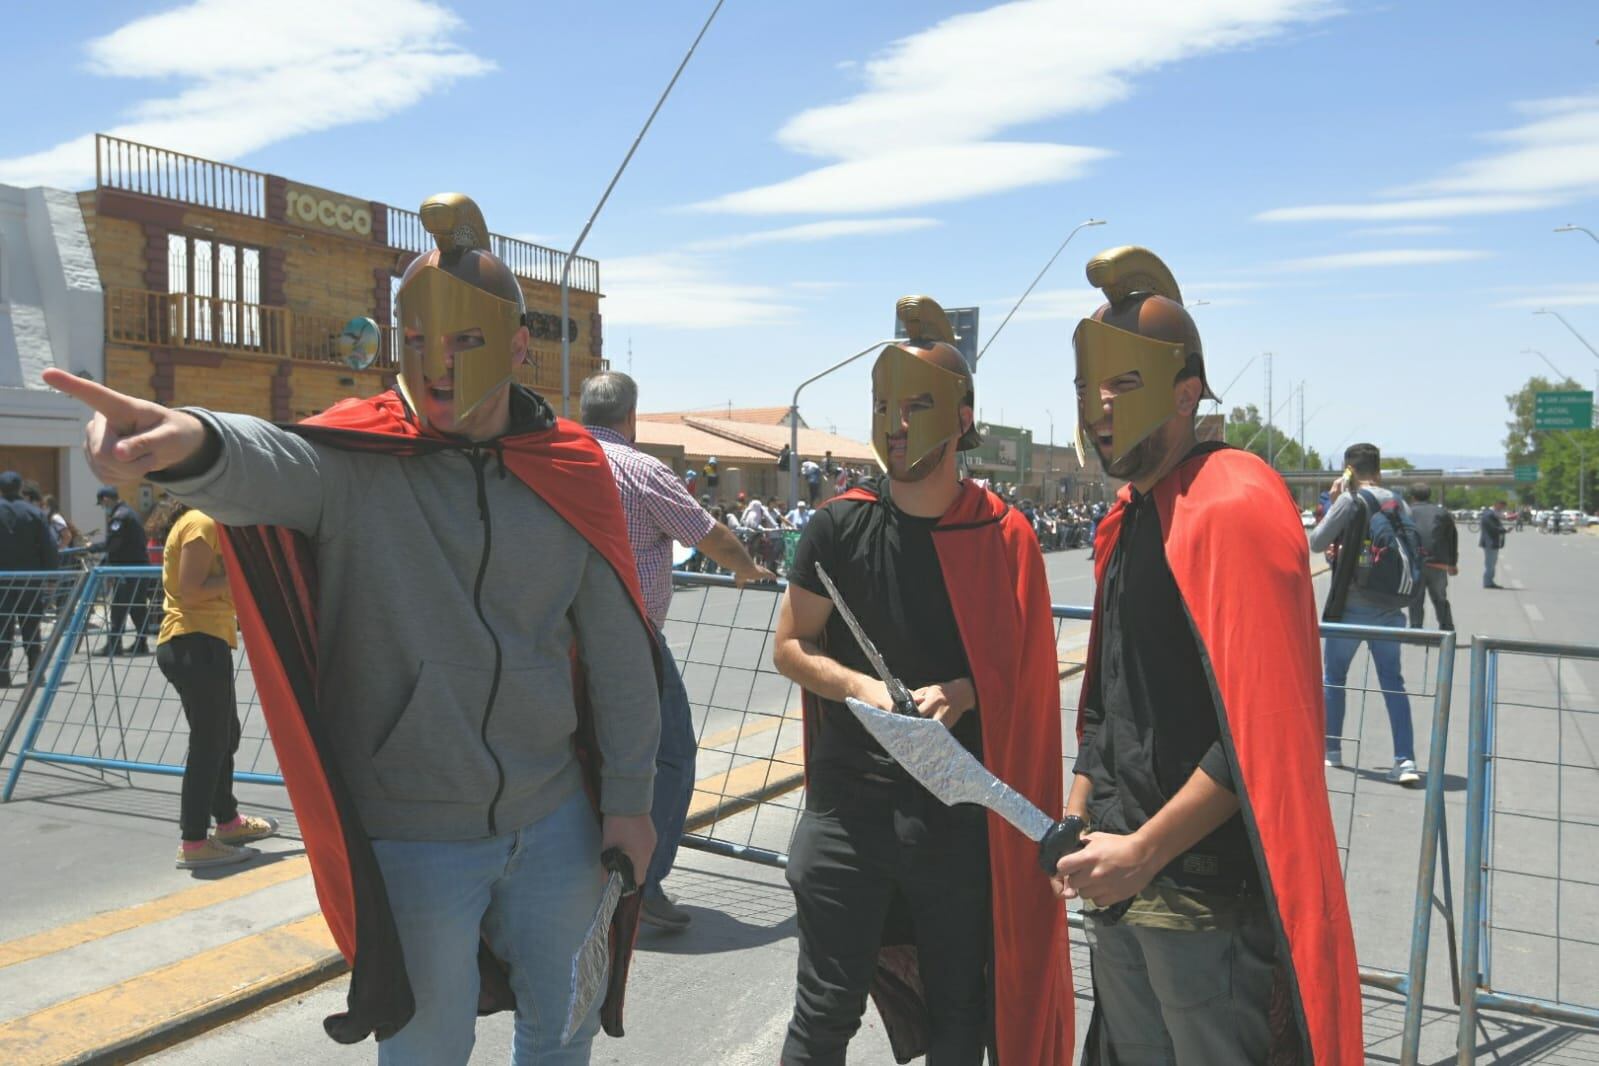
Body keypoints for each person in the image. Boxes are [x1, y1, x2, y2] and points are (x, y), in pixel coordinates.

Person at [48, 192, 660, 1064]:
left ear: (520, 345)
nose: (436, 365)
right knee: (423, 1052)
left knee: (561, 1031)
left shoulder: (572, 470)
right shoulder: (354, 461)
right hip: (410, 836)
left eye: (463, 341)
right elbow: (265, 462)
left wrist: (630, 802)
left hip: (556, 816)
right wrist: (183, 440)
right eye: (415, 342)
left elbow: (617, 652)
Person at [1055, 246, 1361, 1064]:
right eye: (1088, 388)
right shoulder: (1130, 517)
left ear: (1186, 393)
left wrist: (1144, 848)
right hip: (1115, 871)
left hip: (1197, 895)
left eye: (1122, 384)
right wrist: (1078, 814)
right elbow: (1113, 697)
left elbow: (1261, 730)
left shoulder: (1231, 499)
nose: (1099, 408)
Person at [774, 295, 1071, 1065]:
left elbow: (1026, 674)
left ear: (962, 418)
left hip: (955, 823)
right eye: (881, 404)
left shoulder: (1003, 535)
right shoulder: (837, 525)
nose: (894, 422)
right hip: (847, 813)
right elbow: (792, 648)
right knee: (822, 1018)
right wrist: (863, 689)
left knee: (957, 1019)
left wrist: (964, 692)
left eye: (914, 405)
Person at [581, 371, 775, 930]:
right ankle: (640, 886)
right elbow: (706, 534)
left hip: (558, 636)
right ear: (631, 417)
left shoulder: (557, 461)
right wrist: (745, 568)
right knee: (670, 756)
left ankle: (593, 877)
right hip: (631, 638)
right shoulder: (640, 469)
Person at [154, 500, 280, 868]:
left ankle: (228, 822)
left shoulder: (207, 522)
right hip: (193, 642)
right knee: (210, 743)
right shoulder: (202, 522)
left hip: (204, 643)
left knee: (226, 735)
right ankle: (194, 841)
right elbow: (191, 590)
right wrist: (243, 575)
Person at [1310, 443, 1421, 785]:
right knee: (1393, 682)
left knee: (1335, 677)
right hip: (1390, 607)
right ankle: (1405, 761)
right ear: (1378, 469)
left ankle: (1333, 751)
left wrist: (1331, 500)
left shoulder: (1350, 499)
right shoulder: (1397, 501)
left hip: (1352, 605)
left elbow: (1316, 541)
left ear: (1348, 469)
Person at [0, 471, 59, 686]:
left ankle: (2, 674)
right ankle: (35, 673)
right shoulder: (34, 513)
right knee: (31, 627)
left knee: (2, 628)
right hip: (30, 580)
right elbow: (49, 546)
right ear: (19, 488)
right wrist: (51, 576)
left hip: (2, 581)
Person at [90, 485, 156, 655]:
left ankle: (114, 644)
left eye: (102, 504)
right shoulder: (129, 513)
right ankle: (141, 643)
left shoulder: (120, 516)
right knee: (137, 606)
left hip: (128, 569)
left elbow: (113, 544)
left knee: (119, 606)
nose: (103, 508)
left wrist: (92, 547)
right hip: (139, 567)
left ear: (106, 500)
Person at [1406, 484, 1457, 630]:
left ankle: (1416, 629)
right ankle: (1447, 628)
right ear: (1429, 496)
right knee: (1440, 598)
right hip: (1438, 564)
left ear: (1413, 497)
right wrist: (1452, 564)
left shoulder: (1407, 512)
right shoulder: (1442, 512)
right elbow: (1452, 539)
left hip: (1415, 563)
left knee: (1415, 599)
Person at [1480, 499, 1508, 588]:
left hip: (1492, 542)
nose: (1502, 509)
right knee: (1490, 564)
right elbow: (1492, 528)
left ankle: (1489, 582)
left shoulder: (1492, 514)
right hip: (1489, 542)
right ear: (1496, 505)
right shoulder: (1489, 515)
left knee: (1492, 564)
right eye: (1502, 507)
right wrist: (1504, 530)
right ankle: (1487, 583)